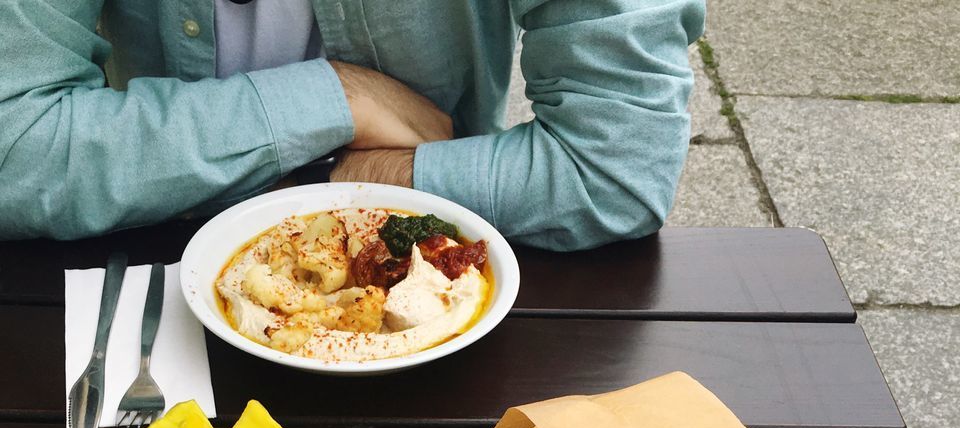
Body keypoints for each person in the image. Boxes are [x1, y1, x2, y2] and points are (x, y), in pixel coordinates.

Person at [0, 1, 705, 248]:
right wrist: (332, 97)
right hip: (158, 270)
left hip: (441, 258)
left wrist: (368, 175)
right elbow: (14, 149)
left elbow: (617, 167)